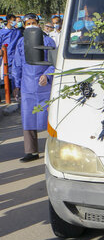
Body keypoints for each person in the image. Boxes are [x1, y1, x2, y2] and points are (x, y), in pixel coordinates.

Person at [12, 13, 56, 162]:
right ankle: (31, 151)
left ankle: (54, 150)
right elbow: (17, 65)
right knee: (28, 117)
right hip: (27, 85)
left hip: (45, 85)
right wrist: (16, 85)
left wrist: (47, 75)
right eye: (28, 23)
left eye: (33, 22)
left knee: (50, 117)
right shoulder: (21, 43)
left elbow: (54, 63)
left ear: (38, 24)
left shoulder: (48, 41)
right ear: (24, 26)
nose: (31, 25)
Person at [0, 14, 24, 100]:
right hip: (6, 57)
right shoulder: (2, 32)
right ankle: (8, 95)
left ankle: (16, 92)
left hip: (16, 56)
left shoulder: (17, 32)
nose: (15, 22)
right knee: (7, 75)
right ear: (9, 20)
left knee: (17, 73)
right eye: (14, 20)